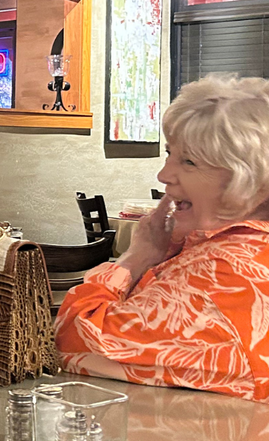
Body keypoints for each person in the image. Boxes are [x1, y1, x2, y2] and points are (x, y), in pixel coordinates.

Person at [56, 75, 269, 400]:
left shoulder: (224, 272)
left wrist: (136, 257)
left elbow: (73, 341)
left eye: (188, 161)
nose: (164, 175)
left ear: (249, 180)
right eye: (170, 154)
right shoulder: (230, 249)